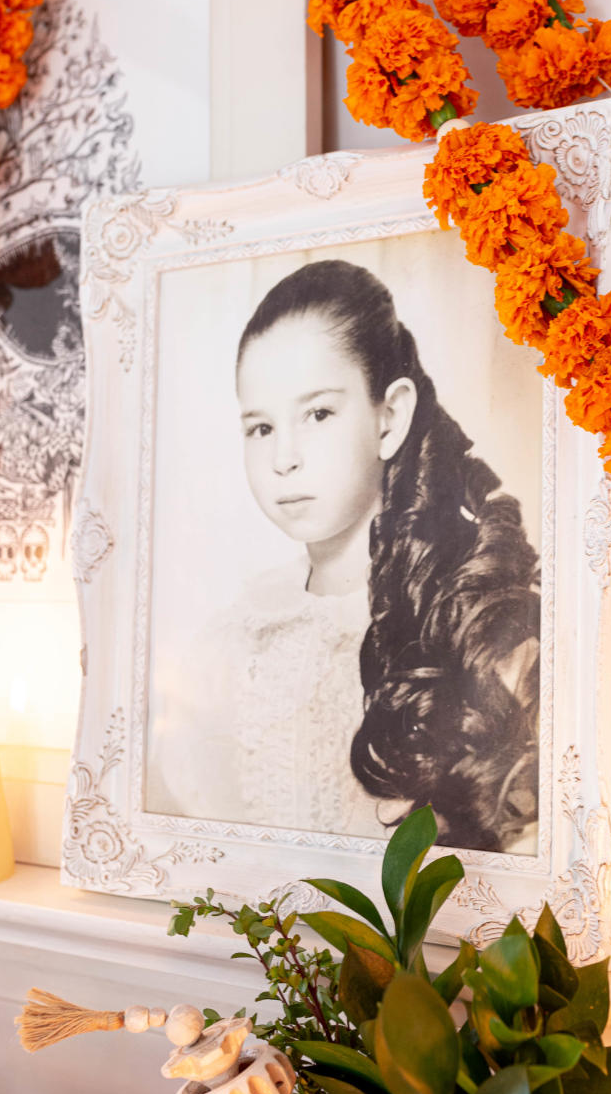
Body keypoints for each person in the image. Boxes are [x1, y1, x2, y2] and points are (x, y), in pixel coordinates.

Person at [152, 259, 540, 853]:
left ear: (390, 417)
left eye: (318, 414)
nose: (284, 457)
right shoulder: (230, 645)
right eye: (260, 428)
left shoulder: (474, 624)